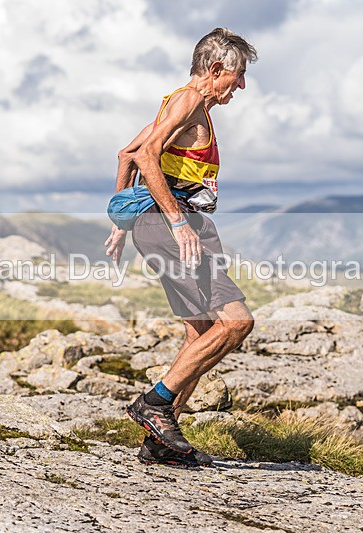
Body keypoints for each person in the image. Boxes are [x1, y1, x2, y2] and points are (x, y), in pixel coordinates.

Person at [104, 28, 258, 468]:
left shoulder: (185, 105)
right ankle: (155, 404)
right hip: (174, 226)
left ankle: (162, 442)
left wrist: (121, 222)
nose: (240, 86)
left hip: (161, 225)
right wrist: (178, 222)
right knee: (236, 323)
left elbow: (126, 154)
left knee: (201, 331)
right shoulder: (188, 101)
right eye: (238, 75)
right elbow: (147, 154)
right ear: (214, 70)